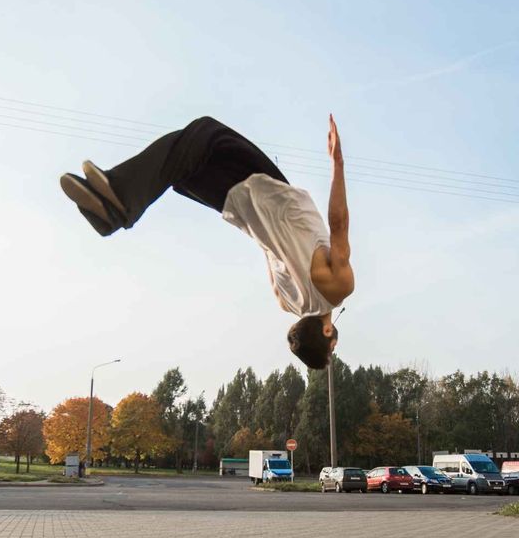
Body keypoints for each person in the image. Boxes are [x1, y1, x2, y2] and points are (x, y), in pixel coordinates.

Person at [60, 115, 353, 369]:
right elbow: (268, 252)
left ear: (328, 333)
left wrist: (337, 163)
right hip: (234, 206)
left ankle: (118, 203)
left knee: (206, 134)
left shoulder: (338, 288)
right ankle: (109, 206)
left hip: (265, 187)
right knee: (185, 161)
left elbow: (338, 226)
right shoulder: (286, 301)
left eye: (332, 345)